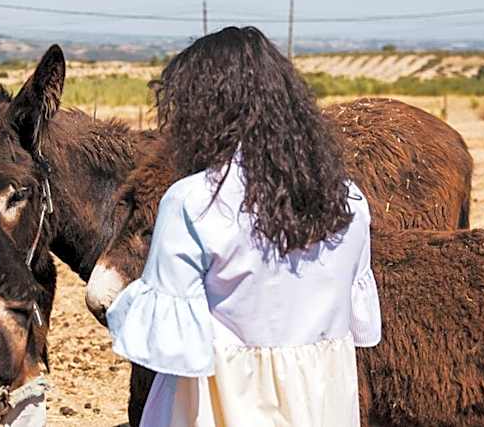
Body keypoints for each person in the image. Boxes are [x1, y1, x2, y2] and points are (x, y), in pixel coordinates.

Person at [106, 27, 381, 426]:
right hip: (322, 402)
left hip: (224, 404)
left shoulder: (193, 202)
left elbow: (168, 341)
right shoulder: (350, 199)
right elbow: (353, 325)